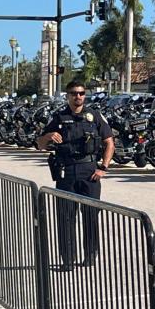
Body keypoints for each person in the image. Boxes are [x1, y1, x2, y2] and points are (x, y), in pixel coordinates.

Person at [36, 80, 114, 270]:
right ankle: (68, 259)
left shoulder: (94, 116)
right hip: (67, 172)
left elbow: (109, 142)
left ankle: (90, 255)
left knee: (90, 215)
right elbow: (40, 144)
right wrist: (48, 137)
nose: (77, 96)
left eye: (81, 93)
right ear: (67, 96)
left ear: (84, 95)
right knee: (65, 217)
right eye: (73, 93)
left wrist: (103, 167)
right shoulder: (59, 118)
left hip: (90, 172)